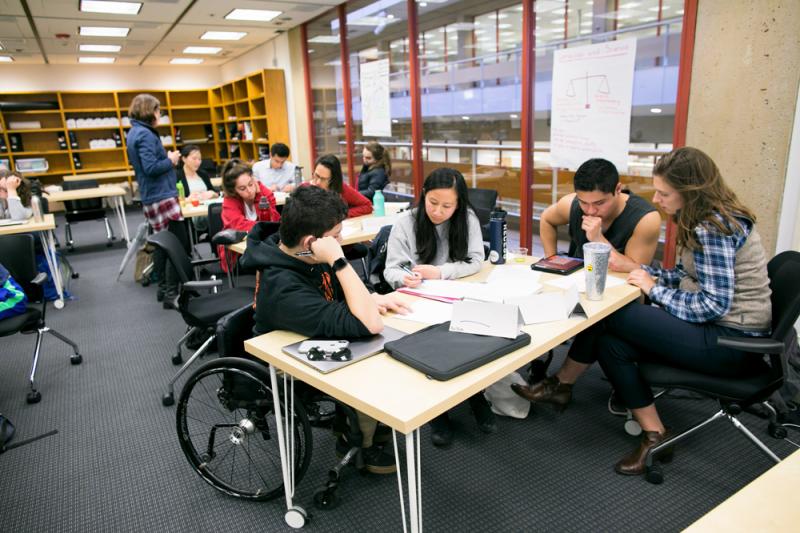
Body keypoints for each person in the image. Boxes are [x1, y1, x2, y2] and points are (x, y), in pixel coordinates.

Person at [513, 147, 772, 476]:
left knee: (609, 316)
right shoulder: (704, 218)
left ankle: (560, 384)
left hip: (732, 342)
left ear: (691, 191)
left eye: (665, 193)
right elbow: (690, 276)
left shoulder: (712, 228)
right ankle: (656, 434)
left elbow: (713, 304)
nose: (658, 199)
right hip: (720, 331)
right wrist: (650, 274)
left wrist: (655, 289)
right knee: (611, 344)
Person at [243, 185, 410, 473]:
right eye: (335, 237)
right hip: (285, 362)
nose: (341, 241)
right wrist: (338, 260)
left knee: (389, 342)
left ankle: (361, 423)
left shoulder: (302, 255)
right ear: (311, 242)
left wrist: (371, 297)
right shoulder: (284, 288)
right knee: (373, 357)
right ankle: (357, 439)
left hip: (308, 333)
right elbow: (369, 324)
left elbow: (338, 295)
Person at [383, 167, 495, 447]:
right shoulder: (405, 222)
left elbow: (475, 262)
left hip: (455, 294)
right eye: (433, 203)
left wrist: (441, 272)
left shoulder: (466, 219)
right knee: (431, 346)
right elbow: (391, 269)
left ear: (459, 204)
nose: (438, 211)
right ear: (423, 196)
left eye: (447, 205)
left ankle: (475, 396)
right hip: (417, 298)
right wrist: (404, 278)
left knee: (473, 337)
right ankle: (438, 412)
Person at [539, 158, 662, 272]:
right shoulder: (571, 203)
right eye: (584, 202)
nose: (591, 211)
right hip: (579, 280)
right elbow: (546, 219)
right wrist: (553, 261)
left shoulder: (645, 219)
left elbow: (636, 270)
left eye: (600, 203)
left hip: (623, 287)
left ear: (618, 189)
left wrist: (598, 239)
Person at [125, 93, 182, 307]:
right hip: (161, 195)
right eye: (158, 110)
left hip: (152, 195)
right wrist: (170, 160)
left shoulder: (135, 132)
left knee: (161, 243)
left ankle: (163, 289)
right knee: (173, 244)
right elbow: (151, 168)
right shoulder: (146, 135)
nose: (160, 114)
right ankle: (170, 293)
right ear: (150, 111)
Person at [218, 158, 280, 271]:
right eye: (242, 188)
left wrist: (259, 196)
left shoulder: (261, 190)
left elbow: (275, 221)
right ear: (233, 190)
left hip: (264, 247)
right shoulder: (229, 201)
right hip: (239, 254)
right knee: (274, 266)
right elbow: (239, 226)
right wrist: (263, 227)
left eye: (250, 184)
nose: (250, 190)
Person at [176, 145, 217, 233]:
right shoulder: (177, 176)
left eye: (199, 159)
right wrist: (188, 199)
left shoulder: (203, 174)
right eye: (194, 159)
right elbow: (173, 200)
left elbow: (215, 193)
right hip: (193, 215)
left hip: (207, 211)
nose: (198, 162)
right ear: (184, 159)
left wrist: (212, 194)